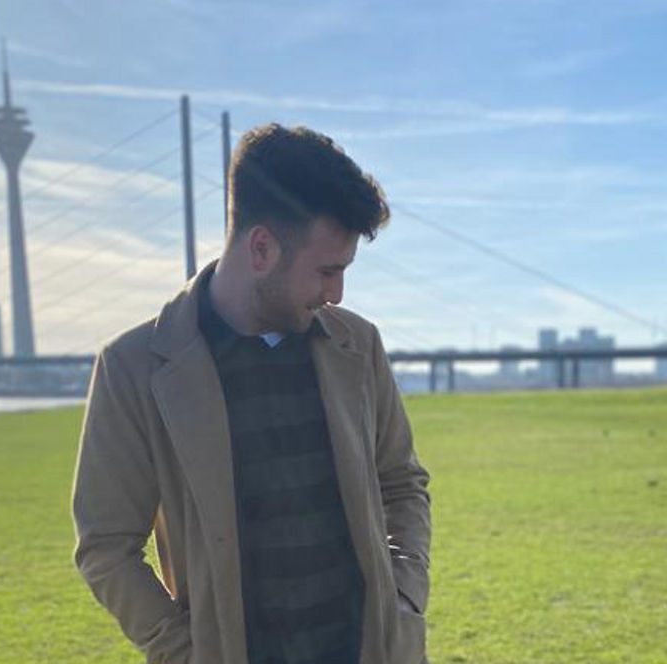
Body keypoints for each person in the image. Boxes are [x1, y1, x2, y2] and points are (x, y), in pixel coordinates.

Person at [71, 123, 431, 664]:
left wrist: (403, 598)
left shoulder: (358, 345)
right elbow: (105, 547)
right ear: (261, 247)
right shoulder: (134, 368)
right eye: (327, 271)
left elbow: (402, 484)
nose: (336, 294)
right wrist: (182, 651)